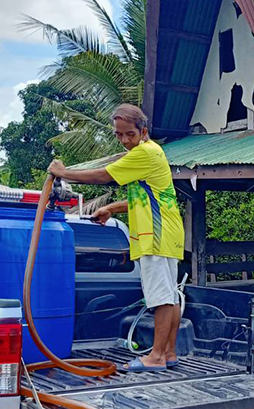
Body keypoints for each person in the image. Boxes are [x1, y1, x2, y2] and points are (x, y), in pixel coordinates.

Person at [48, 104, 184, 371]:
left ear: (143, 131)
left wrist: (63, 173)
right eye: (119, 135)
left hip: (154, 235)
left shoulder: (144, 152)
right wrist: (111, 208)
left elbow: (104, 175)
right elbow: (148, 198)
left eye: (129, 134)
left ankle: (156, 356)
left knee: (161, 297)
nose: (124, 140)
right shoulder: (153, 152)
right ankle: (168, 353)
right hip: (168, 232)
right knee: (170, 294)